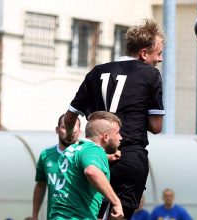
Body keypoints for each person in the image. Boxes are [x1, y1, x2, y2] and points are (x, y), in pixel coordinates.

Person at [63, 18, 165, 219]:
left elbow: (69, 116)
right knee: (119, 215)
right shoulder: (151, 74)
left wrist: (69, 137)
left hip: (96, 156)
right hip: (130, 157)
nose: (160, 59)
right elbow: (156, 126)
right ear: (143, 53)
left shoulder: (97, 71)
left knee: (89, 213)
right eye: (159, 54)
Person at [49, 111, 124, 219]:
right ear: (106, 137)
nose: (120, 137)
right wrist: (116, 202)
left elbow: (78, 166)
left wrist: (105, 158)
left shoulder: (71, 150)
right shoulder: (95, 150)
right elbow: (91, 172)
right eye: (117, 133)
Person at [32, 114, 81, 220]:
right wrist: (35, 215)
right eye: (64, 127)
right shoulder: (46, 154)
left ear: (79, 132)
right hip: (53, 216)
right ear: (57, 130)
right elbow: (40, 185)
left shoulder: (86, 154)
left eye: (73, 127)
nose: (69, 131)